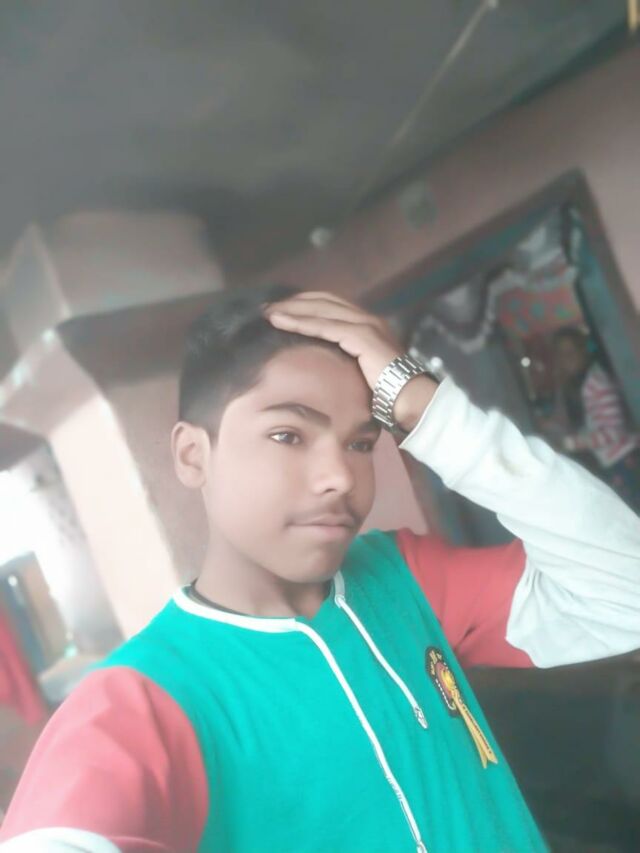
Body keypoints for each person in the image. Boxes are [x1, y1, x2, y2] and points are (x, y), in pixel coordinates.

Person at [1, 286, 639, 853]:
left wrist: (425, 407)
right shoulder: (143, 700)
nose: (340, 477)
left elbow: (626, 595)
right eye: (288, 435)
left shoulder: (406, 578)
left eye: (361, 443)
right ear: (193, 455)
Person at [552, 326, 640, 513]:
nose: (566, 360)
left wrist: (571, 443)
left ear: (582, 350)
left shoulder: (596, 383)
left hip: (625, 461)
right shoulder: (581, 384)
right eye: (561, 355)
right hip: (617, 461)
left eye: (570, 352)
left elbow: (614, 432)